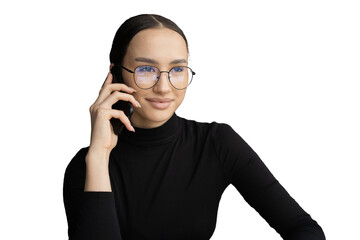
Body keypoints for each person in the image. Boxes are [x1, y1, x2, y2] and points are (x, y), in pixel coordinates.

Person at [63, 14, 326, 240]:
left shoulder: (216, 142)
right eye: (146, 69)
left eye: (177, 69)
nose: (164, 87)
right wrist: (98, 156)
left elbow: (303, 228)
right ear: (115, 74)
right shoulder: (86, 165)